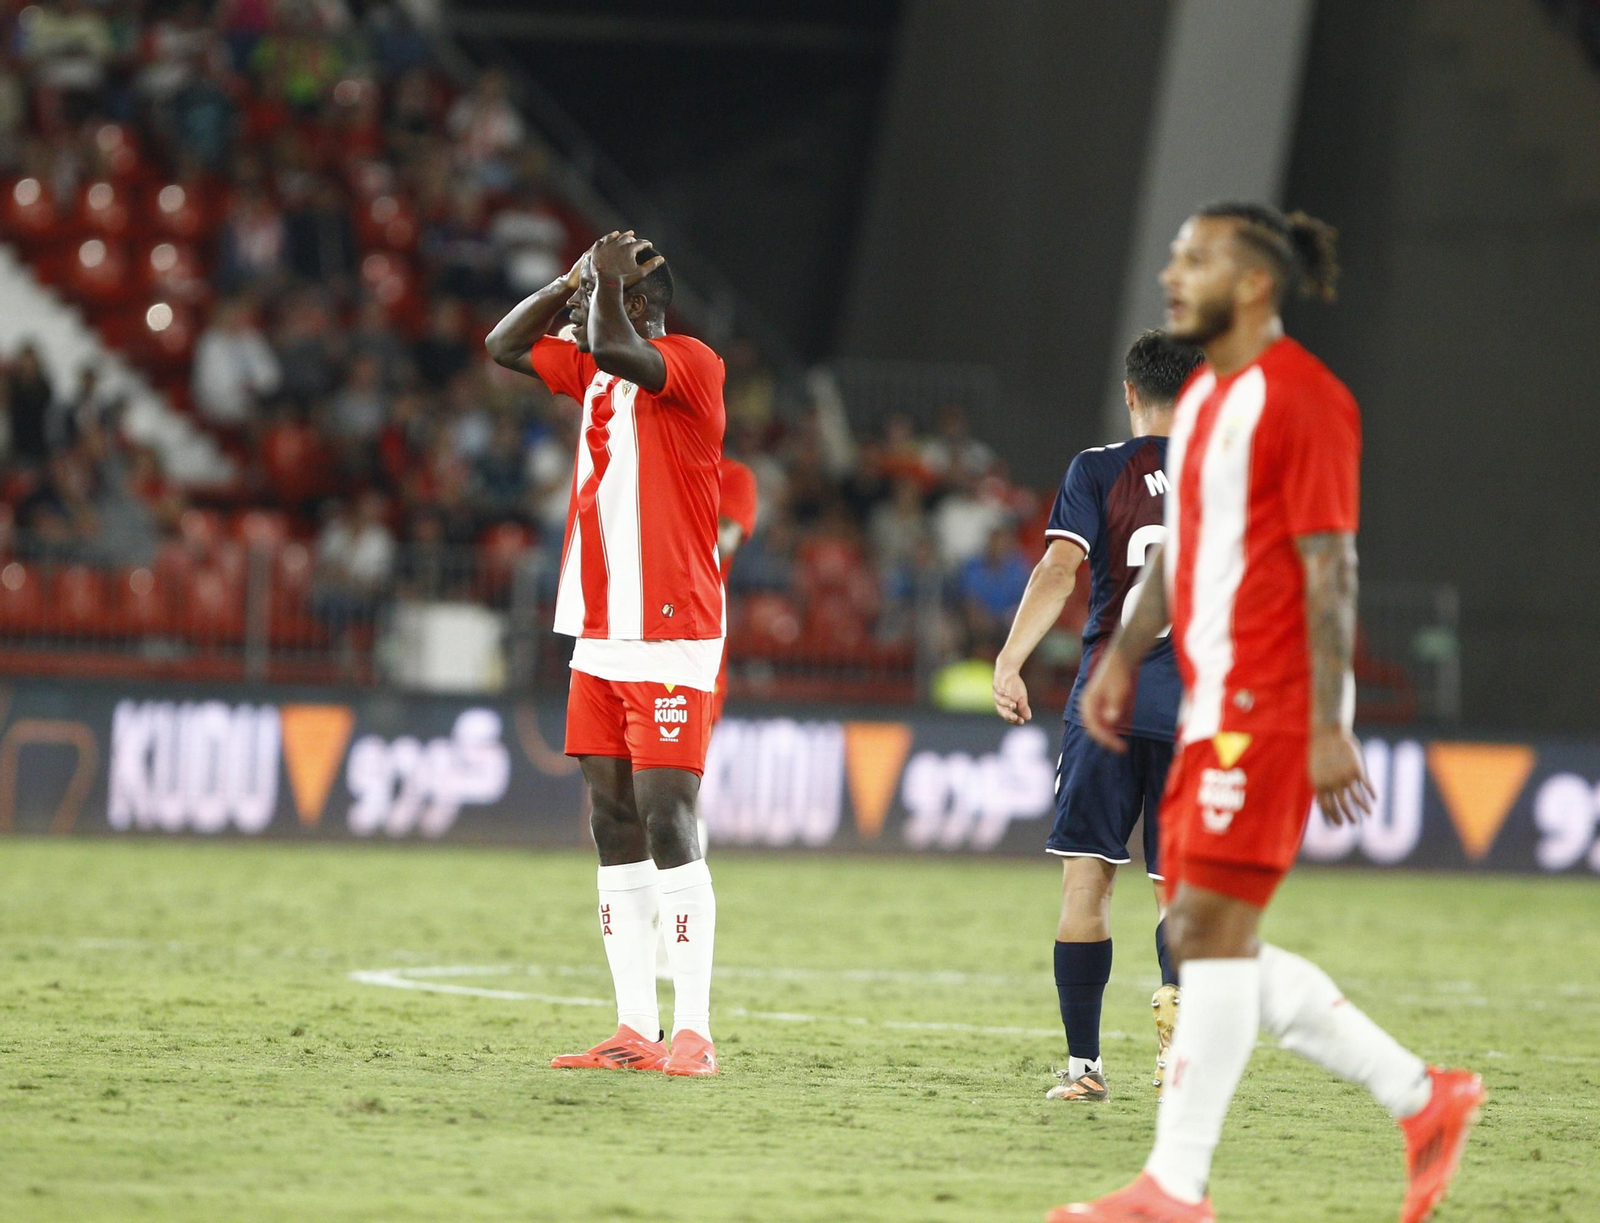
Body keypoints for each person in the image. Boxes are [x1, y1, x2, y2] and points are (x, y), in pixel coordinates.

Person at [1051, 203, 1483, 1223]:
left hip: (1273, 701)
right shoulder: (1204, 406)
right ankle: (1422, 1099)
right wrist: (1119, 655)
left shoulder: (1307, 400)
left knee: (1202, 930)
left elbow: (1328, 566)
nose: (1171, 270)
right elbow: (1187, 549)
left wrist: (1330, 720)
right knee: (1199, 934)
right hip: (1208, 700)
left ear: (1251, 282)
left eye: (1193, 256)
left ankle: (1182, 1183)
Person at [487, 230, 726, 1078]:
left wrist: (611, 289)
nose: (581, 324)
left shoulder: (690, 363)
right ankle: (635, 1027)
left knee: (667, 812)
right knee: (611, 819)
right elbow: (503, 344)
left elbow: (621, 344)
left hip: (672, 628)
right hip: (597, 629)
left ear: (639, 308)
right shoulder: (590, 370)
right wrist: (569, 280)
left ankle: (692, 1031)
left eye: (592, 307)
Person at [992, 330, 1202, 1104]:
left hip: (1106, 706)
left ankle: (1084, 1068)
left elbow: (1058, 566)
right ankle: (1178, 1055)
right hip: (1197, 713)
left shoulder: (1098, 467)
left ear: (1128, 392)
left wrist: (1011, 659)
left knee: (1086, 882)